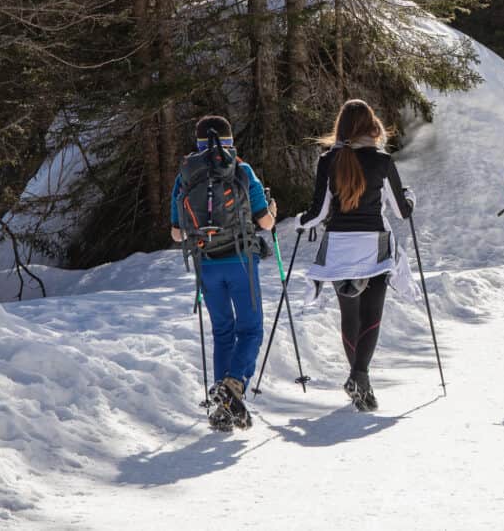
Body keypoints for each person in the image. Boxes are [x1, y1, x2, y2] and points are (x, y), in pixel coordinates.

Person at [296, 100, 418, 412]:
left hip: (338, 246)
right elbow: (402, 212)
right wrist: (410, 198)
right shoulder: (381, 160)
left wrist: (300, 222)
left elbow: (318, 212)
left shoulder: (328, 160)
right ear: (371, 125)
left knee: (349, 315)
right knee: (372, 315)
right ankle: (359, 376)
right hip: (373, 246)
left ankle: (359, 382)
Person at [171, 115, 277, 430]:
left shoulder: (186, 174)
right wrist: (272, 209)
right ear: (230, 141)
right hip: (241, 260)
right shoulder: (242, 170)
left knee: (222, 332)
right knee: (251, 329)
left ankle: (222, 407)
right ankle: (233, 386)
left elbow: (177, 234)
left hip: (207, 263)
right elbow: (265, 223)